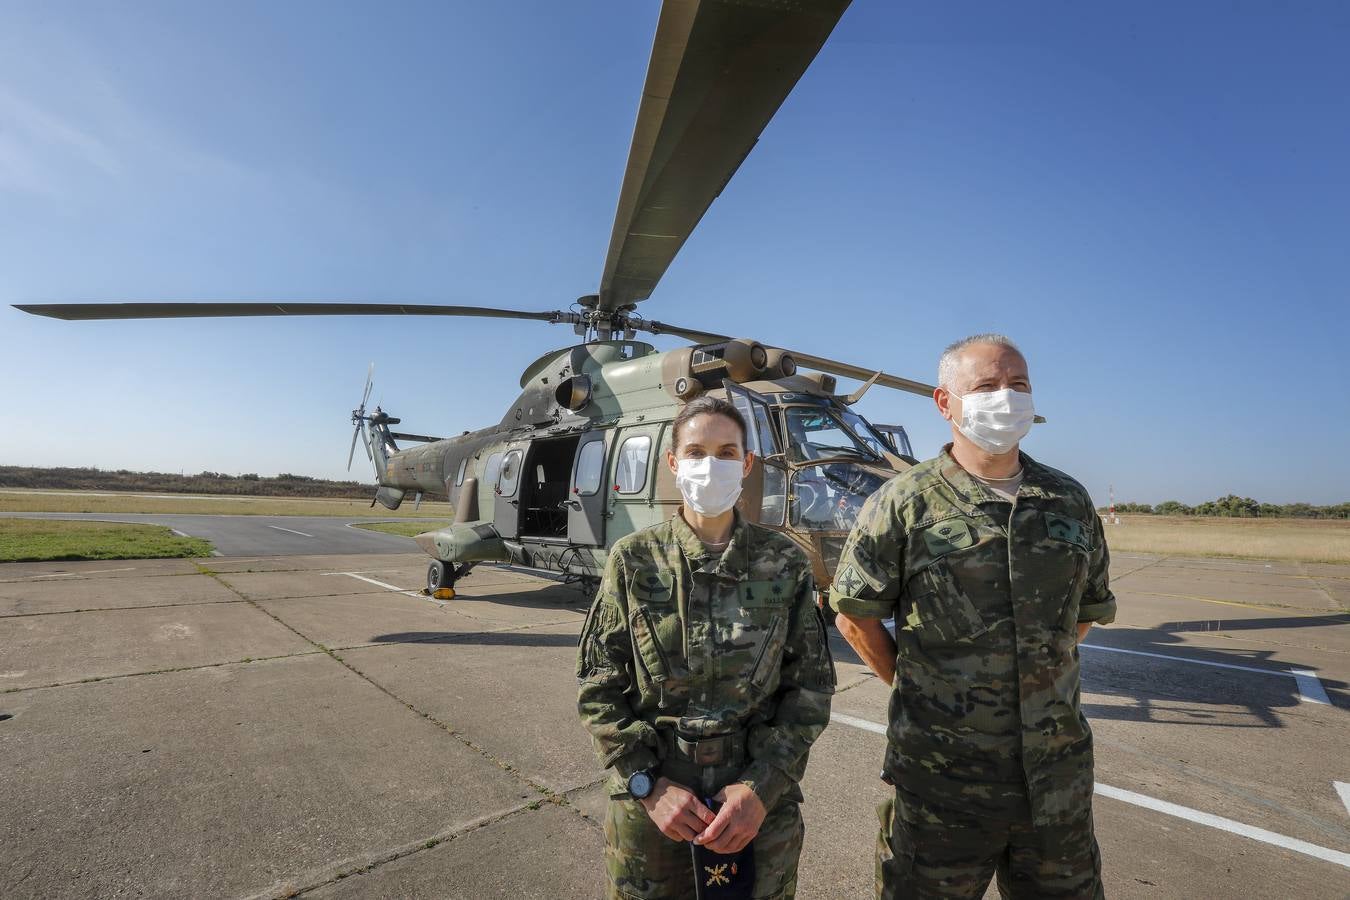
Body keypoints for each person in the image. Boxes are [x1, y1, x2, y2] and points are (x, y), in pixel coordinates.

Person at [830, 334, 1115, 899]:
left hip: (1055, 785)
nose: (1005, 397)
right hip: (943, 783)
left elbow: (1082, 615)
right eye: (986, 386)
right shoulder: (903, 502)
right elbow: (854, 618)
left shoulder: (1069, 500)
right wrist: (925, 691)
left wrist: (1035, 675)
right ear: (944, 402)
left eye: (1019, 385)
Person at [577, 395, 836, 900]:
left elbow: (811, 688)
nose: (709, 465)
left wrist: (761, 787)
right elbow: (597, 686)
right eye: (695, 452)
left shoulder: (785, 563)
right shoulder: (633, 561)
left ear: (746, 463)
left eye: (725, 452)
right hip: (656, 807)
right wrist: (645, 784)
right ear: (673, 464)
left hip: (756, 806)